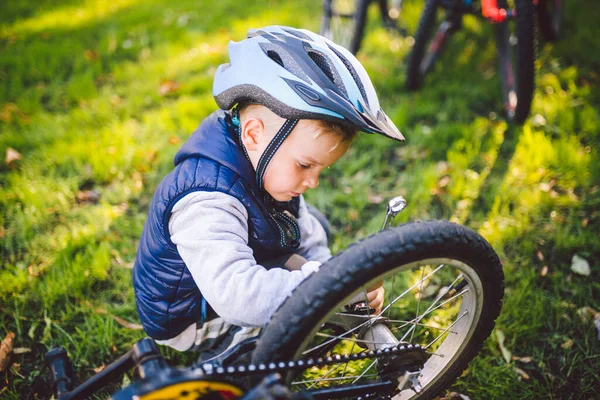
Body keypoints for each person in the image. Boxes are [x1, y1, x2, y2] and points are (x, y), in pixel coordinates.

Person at [132, 26, 404, 358]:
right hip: (194, 317)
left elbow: (307, 237)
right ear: (254, 133)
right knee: (270, 351)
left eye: (321, 169)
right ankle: (225, 354)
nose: (313, 182)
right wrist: (331, 286)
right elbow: (238, 297)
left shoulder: (269, 165)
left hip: (238, 268)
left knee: (315, 228)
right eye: (305, 165)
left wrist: (338, 285)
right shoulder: (206, 199)